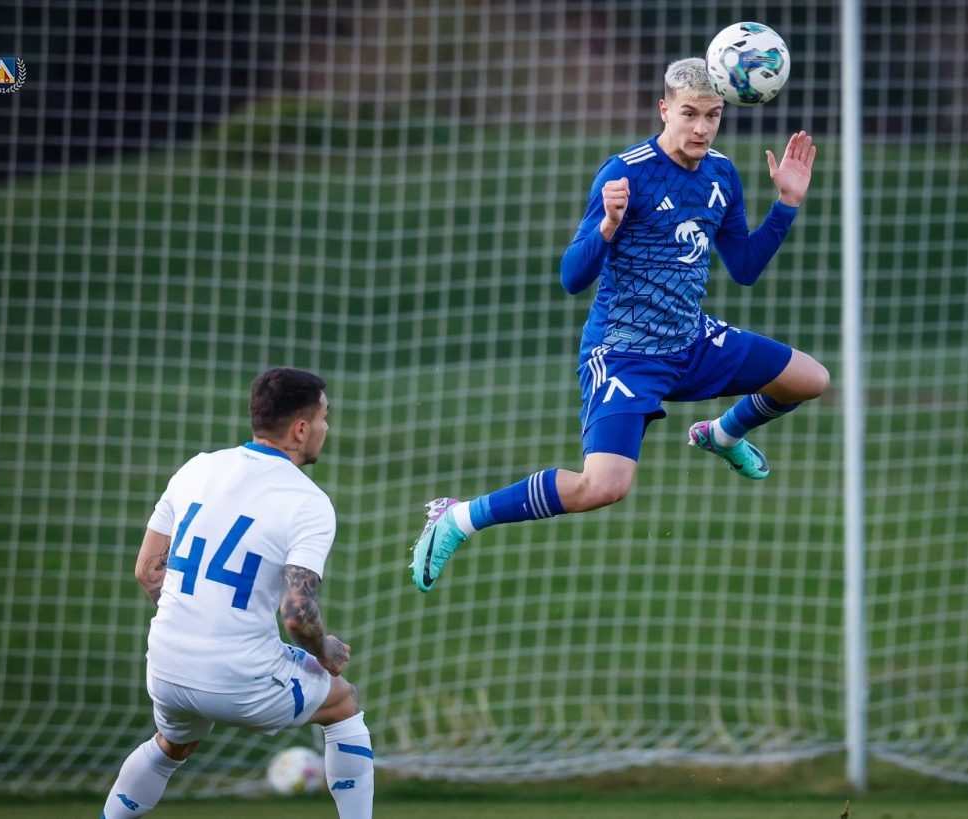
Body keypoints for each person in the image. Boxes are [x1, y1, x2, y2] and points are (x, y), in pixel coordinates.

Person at [408, 57, 828, 594]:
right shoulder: (624, 172)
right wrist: (607, 225)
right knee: (603, 486)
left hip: (693, 339)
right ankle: (459, 517)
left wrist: (786, 203)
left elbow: (744, 268)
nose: (701, 128)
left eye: (713, 115)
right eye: (689, 114)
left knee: (810, 379)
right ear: (664, 110)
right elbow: (571, 277)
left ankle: (722, 434)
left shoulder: (722, 173)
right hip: (625, 354)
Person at [102, 368, 374, 818]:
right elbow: (297, 613)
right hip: (240, 678)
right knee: (342, 701)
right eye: (323, 418)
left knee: (173, 744)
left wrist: (199, 618)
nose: (325, 428)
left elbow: (147, 571)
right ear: (301, 429)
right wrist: (325, 651)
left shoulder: (197, 468)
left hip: (167, 666)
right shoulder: (307, 502)